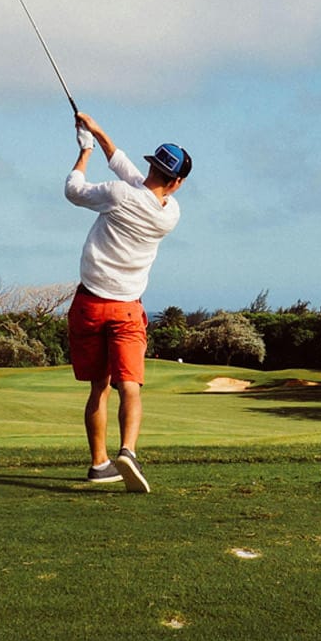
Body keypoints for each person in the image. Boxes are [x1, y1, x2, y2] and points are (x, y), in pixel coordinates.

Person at [64, 111, 190, 492]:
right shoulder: (171, 214)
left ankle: (99, 463)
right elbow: (130, 173)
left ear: (153, 165)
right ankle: (128, 452)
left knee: (98, 388)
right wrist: (98, 132)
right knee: (130, 385)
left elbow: (73, 189)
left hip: (89, 304)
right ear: (177, 182)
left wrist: (85, 151)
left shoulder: (119, 195)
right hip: (127, 309)